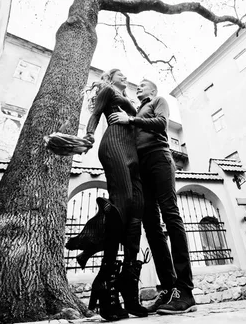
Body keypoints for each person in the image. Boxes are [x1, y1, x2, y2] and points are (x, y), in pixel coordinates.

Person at [108, 79, 197, 315]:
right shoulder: (135, 110)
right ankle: (168, 288)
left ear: (153, 90)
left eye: (143, 85)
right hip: (140, 166)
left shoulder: (159, 101)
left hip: (159, 157)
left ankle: (185, 290)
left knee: (170, 215)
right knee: (151, 225)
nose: (139, 87)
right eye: (138, 86)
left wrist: (132, 120)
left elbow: (161, 124)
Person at [65, 69, 147, 320]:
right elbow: (94, 115)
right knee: (121, 207)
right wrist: (88, 136)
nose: (126, 76)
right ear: (110, 78)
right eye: (120, 73)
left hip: (133, 152)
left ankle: (129, 288)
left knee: (136, 213)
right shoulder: (108, 90)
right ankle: (106, 283)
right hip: (114, 146)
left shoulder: (130, 102)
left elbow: (138, 120)